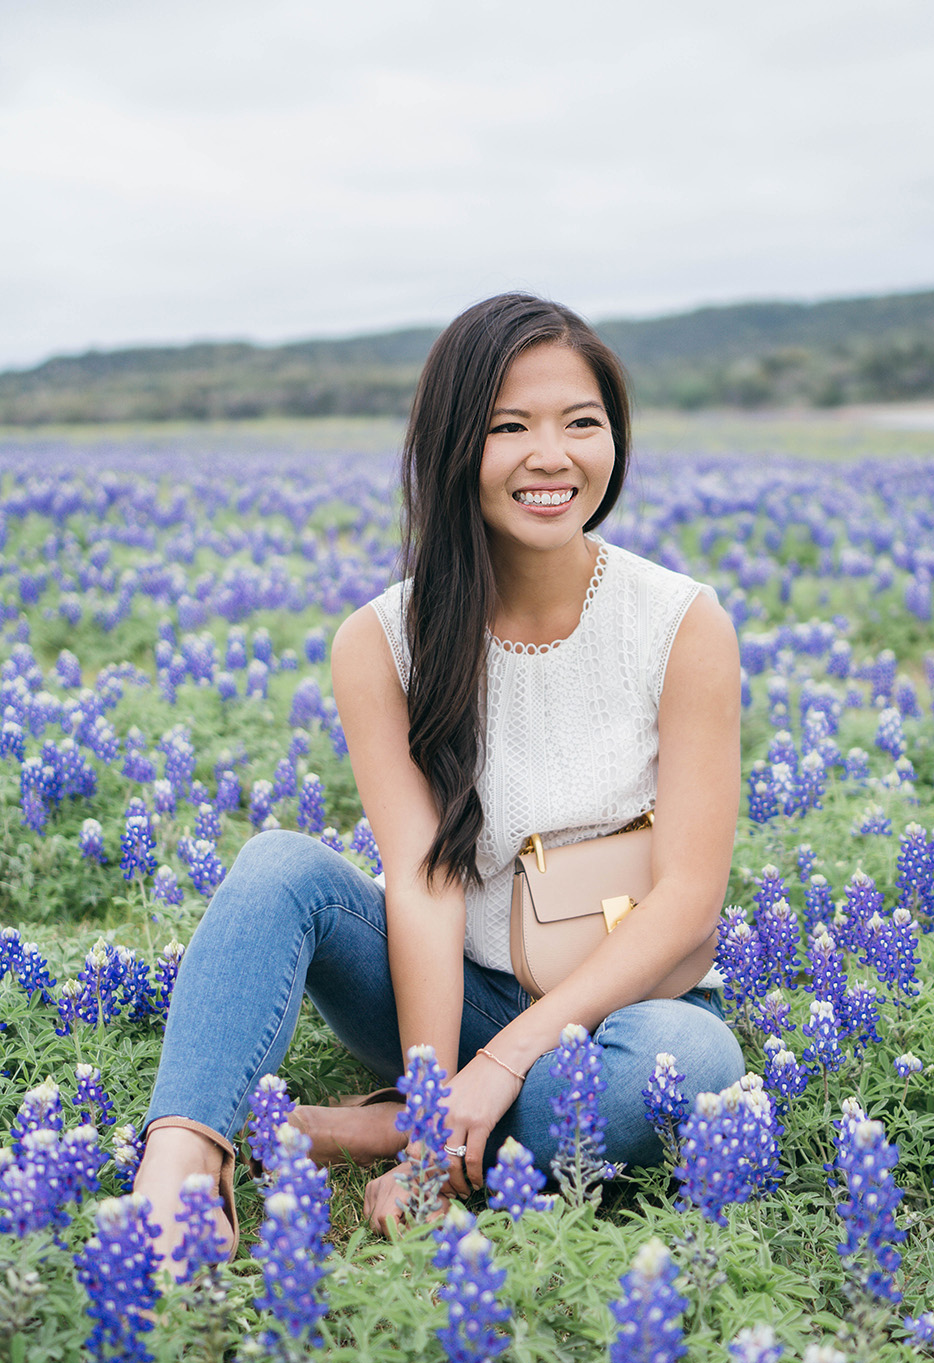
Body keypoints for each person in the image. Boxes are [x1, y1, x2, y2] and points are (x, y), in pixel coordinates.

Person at [135, 292, 745, 1266]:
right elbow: (421, 882)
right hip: (447, 993)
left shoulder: (681, 624)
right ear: (456, 444)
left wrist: (501, 1066)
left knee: (692, 1064)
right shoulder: (383, 641)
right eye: (511, 427)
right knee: (279, 869)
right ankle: (177, 1171)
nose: (553, 455)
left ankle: (386, 1129)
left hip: (614, 1012)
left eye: (581, 423)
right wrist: (435, 1090)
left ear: (614, 440)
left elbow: (688, 903)